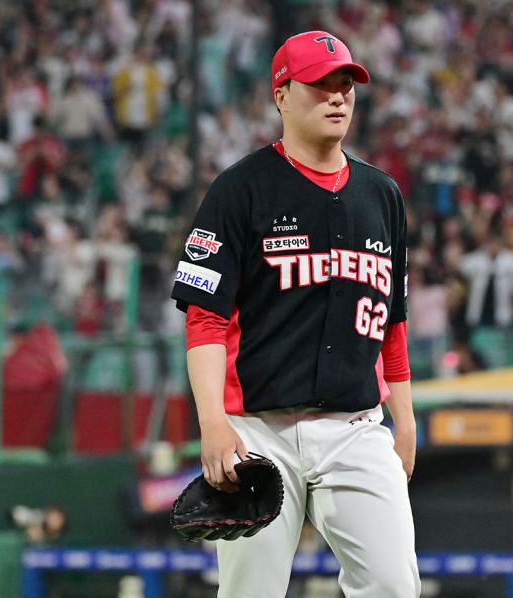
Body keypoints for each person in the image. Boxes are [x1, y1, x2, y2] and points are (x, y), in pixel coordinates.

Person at [170, 31, 420, 597]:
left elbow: (392, 320)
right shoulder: (240, 189)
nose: (337, 97)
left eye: (345, 85)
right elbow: (204, 318)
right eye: (319, 85)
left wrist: (404, 419)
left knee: (393, 584)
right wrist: (212, 422)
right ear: (281, 96)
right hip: (258, 431)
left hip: (356, 427)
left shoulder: (382, 195)